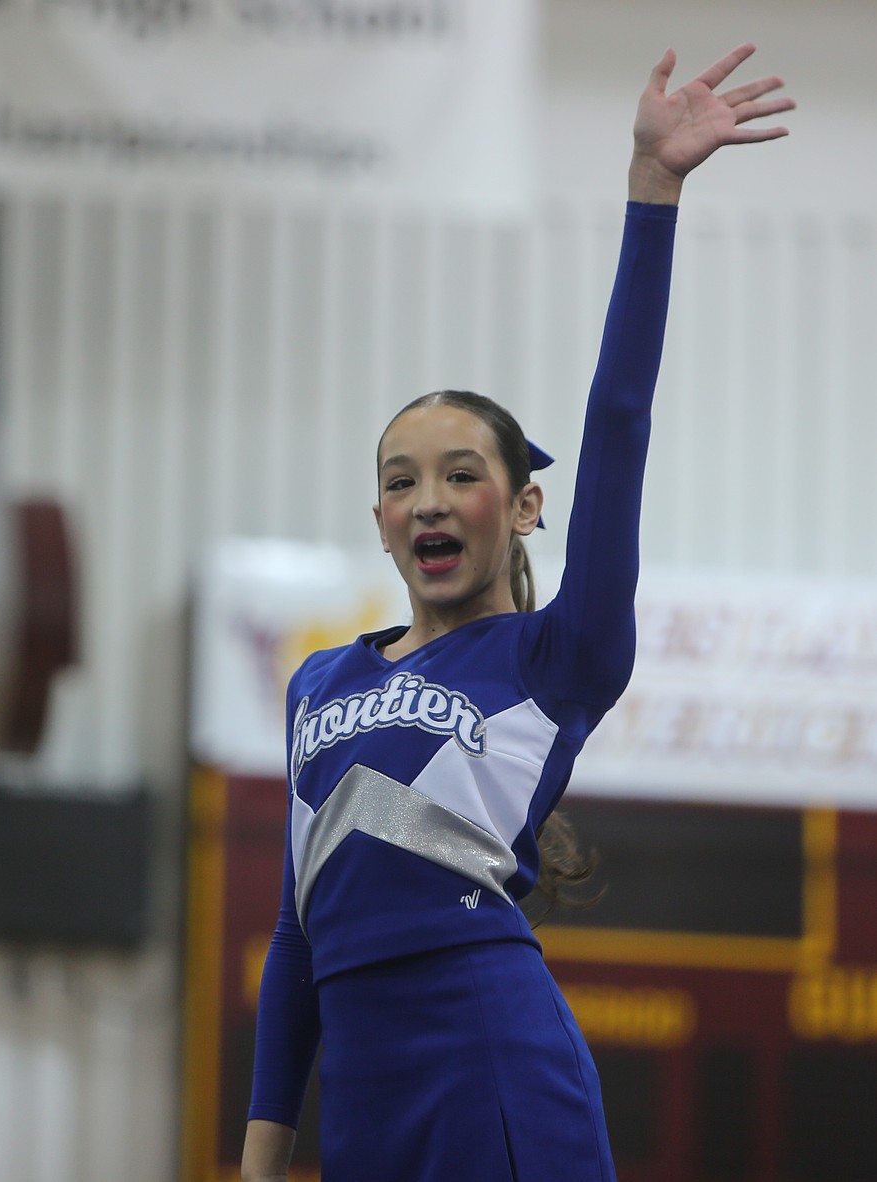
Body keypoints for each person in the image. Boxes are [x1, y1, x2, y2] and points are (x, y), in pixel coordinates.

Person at [241, 43, 794, 1182]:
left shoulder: (558, 656)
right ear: (380, 518)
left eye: (459, 473)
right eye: (401, 480)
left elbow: (622, 418)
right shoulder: (319, 682)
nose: (427, 500)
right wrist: (261, 1157)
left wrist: (654, 193)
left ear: (526, 504)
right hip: (363, 1106)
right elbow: (300, 933)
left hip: (495, 1067)